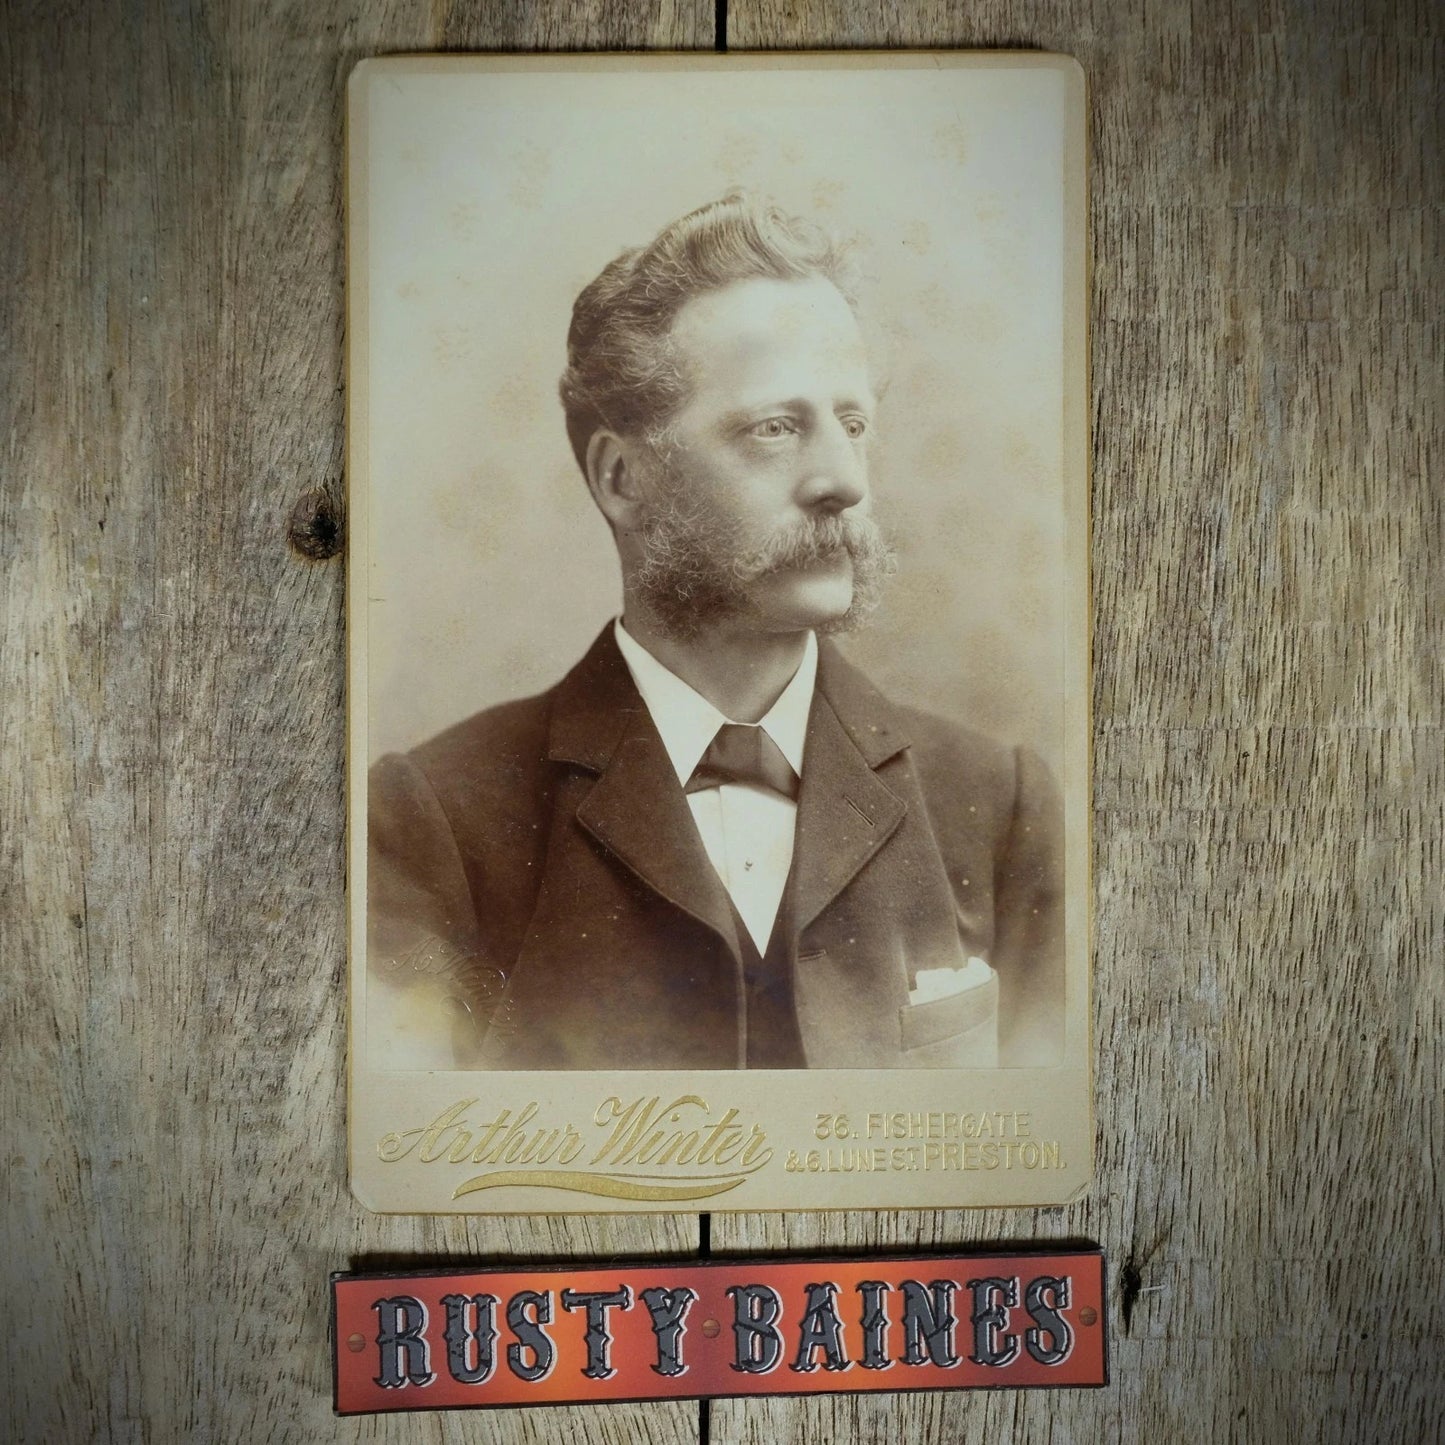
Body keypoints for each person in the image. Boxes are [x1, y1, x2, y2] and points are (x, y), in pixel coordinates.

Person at [367, 192, 1064, 1072]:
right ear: (622, 478)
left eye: (852, 424)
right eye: (776, 429)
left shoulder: (1000, 806)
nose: (842, 480)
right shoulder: (434, 821)